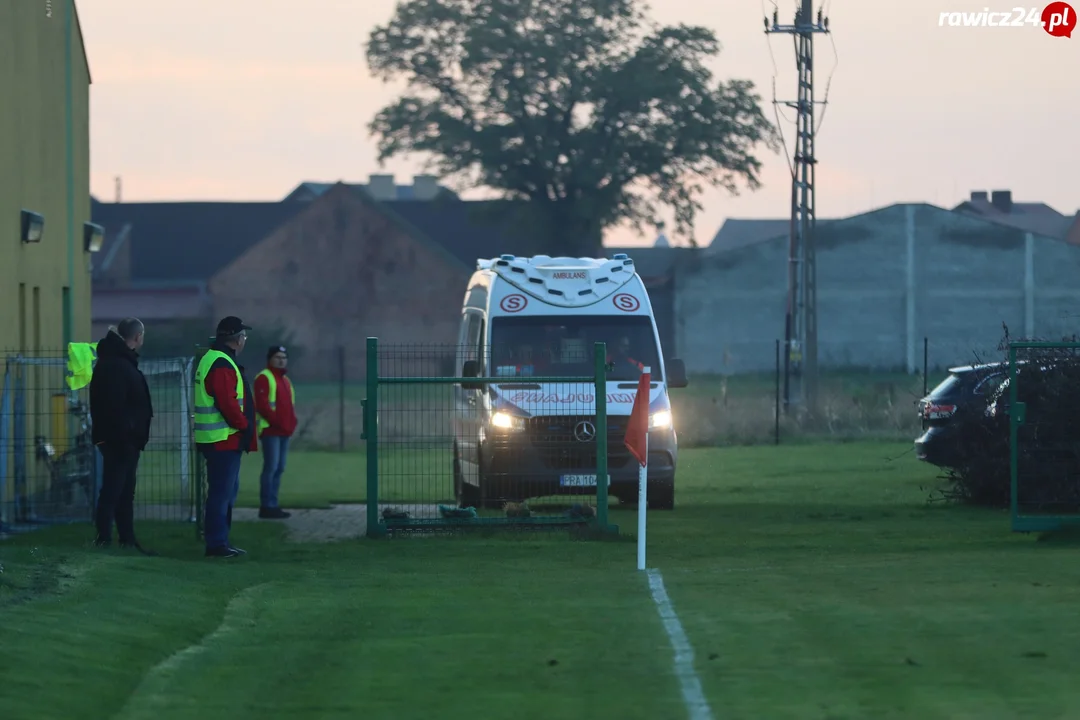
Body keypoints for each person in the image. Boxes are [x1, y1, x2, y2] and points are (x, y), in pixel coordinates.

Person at [89, 318, 154, 554]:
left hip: (121, 439)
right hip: (120, 440)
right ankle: (104, 537)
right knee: (114, 490)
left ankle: (126, 538)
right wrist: (127, 435)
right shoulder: (118, 365)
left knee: (124, 490)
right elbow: (114, 406)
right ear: (138, 337)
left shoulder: (115, 361)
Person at [193, 316, 257, 558]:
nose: (244, 340)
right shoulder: (221, 364)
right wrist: (244, 425)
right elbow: (227, 403)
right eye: (244, 336)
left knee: (225, 492)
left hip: (218, 437)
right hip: (223, 438)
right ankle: (217, 544)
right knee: (221, 494)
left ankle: (221, 541)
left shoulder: (215, 359)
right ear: (237, 339)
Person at [253, 345, 296, 519]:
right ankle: (266, 506)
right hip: (271, 431)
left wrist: (292, 423)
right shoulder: (264, 378)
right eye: (277, 357)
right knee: (271, 467)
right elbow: (263, 406)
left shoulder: (285, 380)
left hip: (284, 431)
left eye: (284, 357)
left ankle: (273, 504)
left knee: (279, 468)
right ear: (270, 359)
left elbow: (289, 406)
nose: (281, 360)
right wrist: (278, 423)